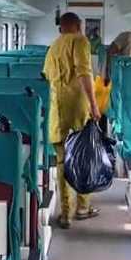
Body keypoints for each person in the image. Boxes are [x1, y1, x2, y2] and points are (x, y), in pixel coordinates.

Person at [44, 12, 102, 229]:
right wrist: (94, 105)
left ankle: (65, 213)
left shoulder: (54, 45)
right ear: (78, 25)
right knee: (82, 157)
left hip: (56, 108)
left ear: (61, 28)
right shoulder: (80, 40)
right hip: (77, 106)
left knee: (62, 161)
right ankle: (83, 207)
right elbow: (84, 74)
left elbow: (47, 76)